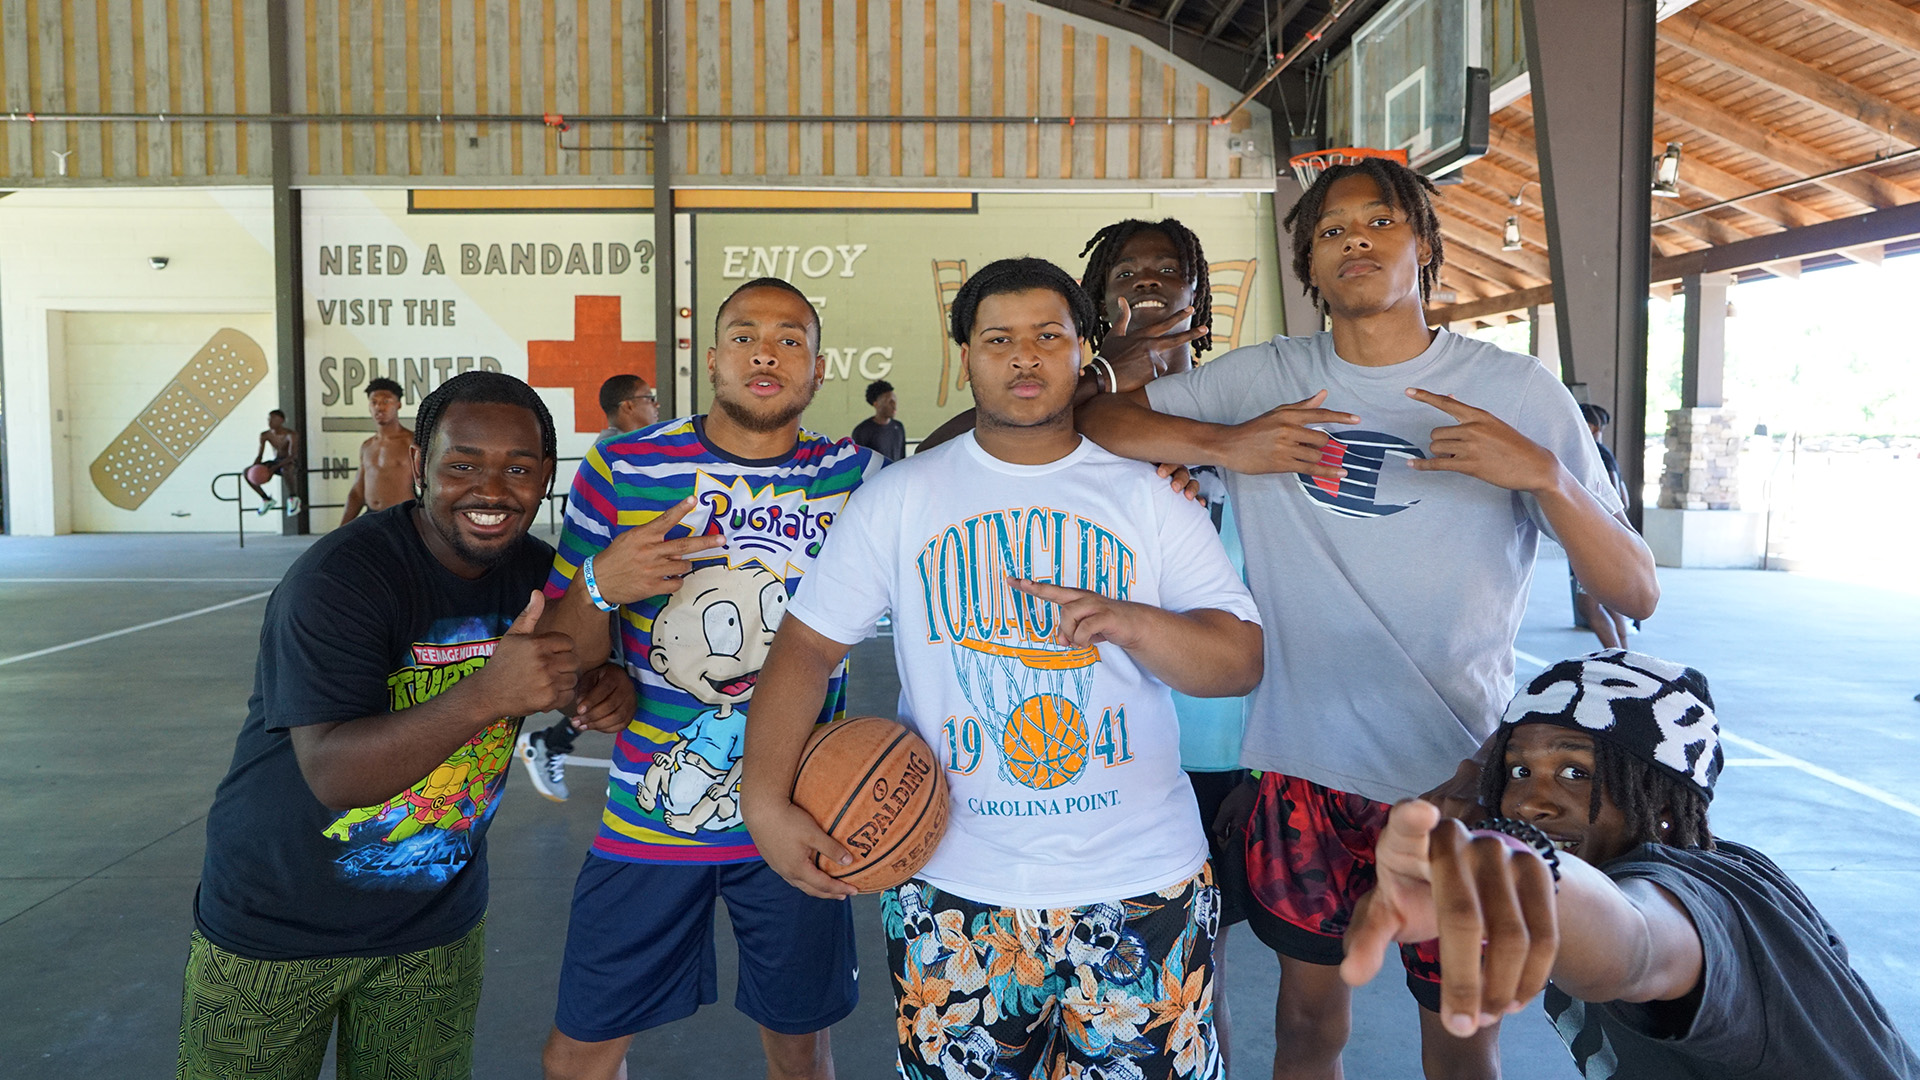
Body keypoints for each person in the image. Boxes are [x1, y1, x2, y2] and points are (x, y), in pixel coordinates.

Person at [1076, 157, 1660, 1080]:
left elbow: (1636, 592)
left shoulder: (1514, 392)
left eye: (1379, 222)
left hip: (1460, 778)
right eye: (1330, 229)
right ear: (1308, 265)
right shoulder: (1265, 376)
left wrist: (1544, 475)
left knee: (1462, 1041)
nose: (1354, 238)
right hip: (1304, 767)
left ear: (1423, 246)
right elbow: (1100, 419)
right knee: (1309, 1030)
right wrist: (1229, 444)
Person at [742, 256, 1264, 1080]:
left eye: (1048, 335)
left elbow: (1237, 661)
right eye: (999, 339)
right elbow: (807, 647)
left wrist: (1128, 620)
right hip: (952, 891)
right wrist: (762, 798)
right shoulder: (900, 498)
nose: (1025, 357)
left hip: (1144, 887)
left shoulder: (1150, 497)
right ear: (964, 358)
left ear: (1083, 350)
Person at [177, 371, 636, 1080]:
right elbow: (335, 773)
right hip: (274, 930)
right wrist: (488, 693)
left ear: (548, 477)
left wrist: (603, 690)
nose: (492, 490)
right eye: (463, 465)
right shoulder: (341, 581)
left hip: (433, 933)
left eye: (518, 468)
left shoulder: (540, 579)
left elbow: (575, 669)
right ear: (420, 468)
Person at [534, 277, 883, 1080]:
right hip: (650, 822)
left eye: (791, 338)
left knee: (802, 1055)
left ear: (819, 369)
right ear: (712, 358)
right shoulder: (623, 468)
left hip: (798, 821)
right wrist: (600, 583)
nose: (767, 350)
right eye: (746, 334)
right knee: (577, 1056)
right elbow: (556, 654)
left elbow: (988, 465)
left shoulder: (858, 479)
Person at [1343, 649, 1920, 1080]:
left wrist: (1527, 866)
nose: (1530, 803)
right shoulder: (1730, 861)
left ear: (1663, 804)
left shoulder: (1692, 906)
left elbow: (1638, 945)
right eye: (1519, 773)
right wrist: (1473, 781)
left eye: (1576, 773)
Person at [516, 373, 662, 802]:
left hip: (617, 595)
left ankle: (552, 742)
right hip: (609, 599)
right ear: (628, 407)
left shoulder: (636, 456)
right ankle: (549, 743)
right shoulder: (613, 456)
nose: (655, 407)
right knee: (606, 687)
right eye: (648, 399)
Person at [1573, 403, 1635, 649]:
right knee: (1609, 600)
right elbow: (1625, 499)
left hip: (1598, 539)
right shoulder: (1603, 452)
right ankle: (1624, 657)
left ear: (1590, 426)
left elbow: (1615, 498)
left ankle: (1618, 657)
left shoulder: (1595, 453)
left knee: (1588, 606)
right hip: (1603, 537)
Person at [341, 377, 415, 525]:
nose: (379, 407)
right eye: (374, 402)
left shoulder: (412, 442)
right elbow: (357, 492)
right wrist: (340, 530)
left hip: (402, 517)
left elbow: (431, 485)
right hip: (372, 515)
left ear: (398, 405)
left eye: (386, 401)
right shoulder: (367, 446)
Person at [248, 409, 302, 517]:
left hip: (290, 462)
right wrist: (254, 467)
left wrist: (274, 467)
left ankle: (293, 498)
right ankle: (266, 499)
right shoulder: (265, 435)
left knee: (286, 469)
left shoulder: (291, 435)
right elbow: (260, 455)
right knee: (246, 473)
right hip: (276, 461)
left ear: (281, 420)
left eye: (273, 419)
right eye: (269, 419)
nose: (270, 422)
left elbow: (292, 456)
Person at [850, 379, 908, 461]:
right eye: (889, 401)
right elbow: (858, 462)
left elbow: (902, 458)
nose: (894, 405)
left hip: (896, 473)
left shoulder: (898, 427)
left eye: (894, 400)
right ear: (876, 403)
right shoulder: (862, 431)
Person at [598, 374, 660, 442]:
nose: (657, 405)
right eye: (650, 398)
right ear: (628, 406)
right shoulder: (612, 448)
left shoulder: (631, 442)